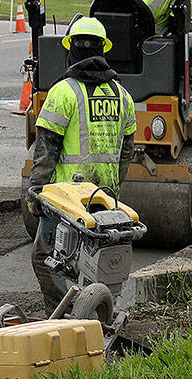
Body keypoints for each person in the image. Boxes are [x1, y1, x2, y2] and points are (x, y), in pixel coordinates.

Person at [26, 17, 137, 312]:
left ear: (71, 50)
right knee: (93, 264)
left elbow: (46, 151)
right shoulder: (123, 96)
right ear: (103, 50)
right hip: (105, 198)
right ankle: (96, 313)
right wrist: (112, 190)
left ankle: (65, 315)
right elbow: (127, 152)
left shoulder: (62, 92)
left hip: (67, 200)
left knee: (46, 259)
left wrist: (36, 193)